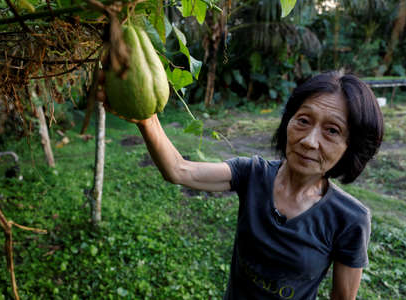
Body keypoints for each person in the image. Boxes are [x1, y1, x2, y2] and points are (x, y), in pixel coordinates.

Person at [97, 71, 384, 299]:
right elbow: (179, 170)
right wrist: (145, 117)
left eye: (332, 131)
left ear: (351, 147)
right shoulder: (253, 174)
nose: (309, 140)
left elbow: (343, 298)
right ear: (288, 122)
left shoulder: (350, 219)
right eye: (303, 121)